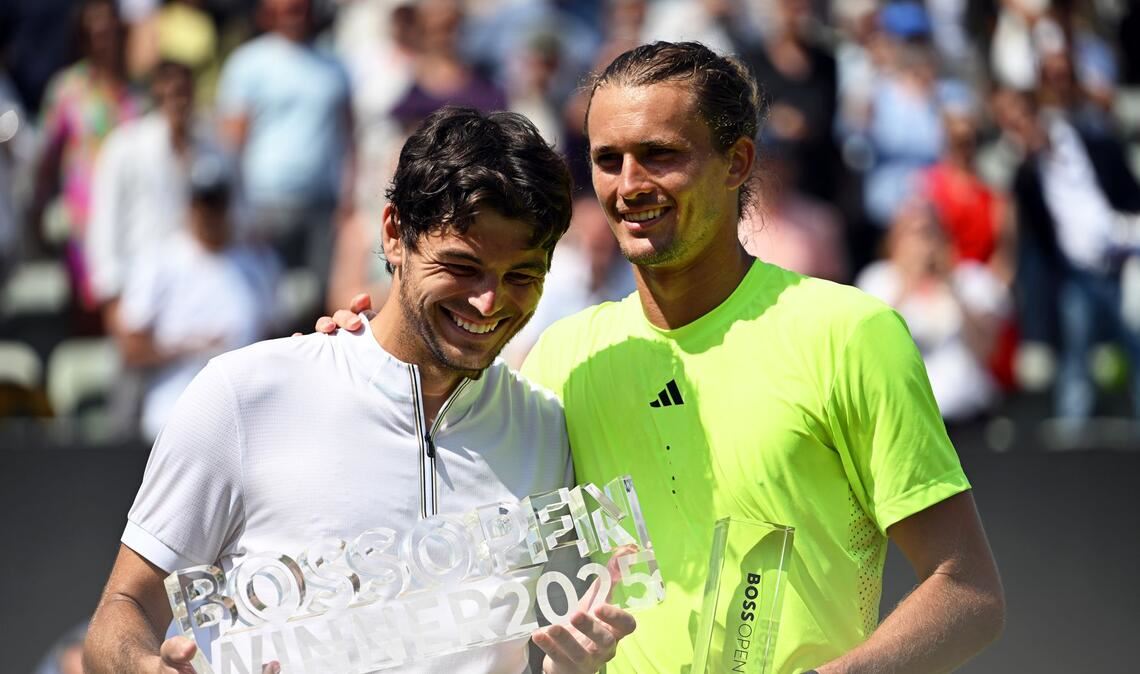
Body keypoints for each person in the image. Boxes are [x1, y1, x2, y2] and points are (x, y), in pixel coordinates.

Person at [326, 41, 1005, 674]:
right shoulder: (567, 354)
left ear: (737, 162)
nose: (629, 184)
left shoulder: (848, 331)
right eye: (607, 159)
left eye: (660, 154)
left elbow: (967, 589)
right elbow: (440, 477)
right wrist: (357, 361)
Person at [82, 107, 635, 674]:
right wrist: (143, 666)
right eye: (462, 266)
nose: (488, 303)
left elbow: (552, 650)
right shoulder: (244, 396)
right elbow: (121, 612)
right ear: (395, 233)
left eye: (521, 276)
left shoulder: (546, 428)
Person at [112, 154, 280, 441]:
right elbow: (130, 345)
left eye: (217, 202)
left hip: (250, 419)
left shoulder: (258, 262)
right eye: (203, 201)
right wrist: (194, 347)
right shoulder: (161, 260)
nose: (210, 212)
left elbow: (277, 333)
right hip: (174, 414)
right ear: (190, 205)